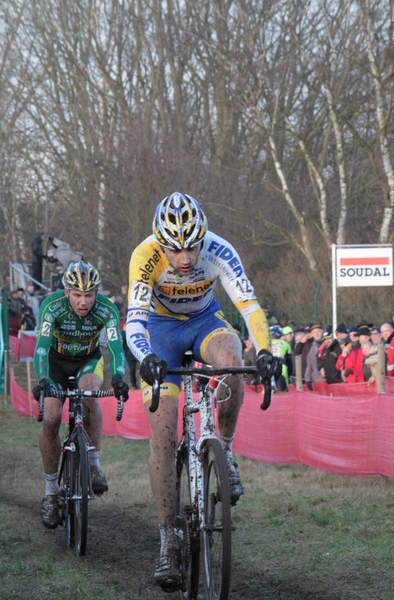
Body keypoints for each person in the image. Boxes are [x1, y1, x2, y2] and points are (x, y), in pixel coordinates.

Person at [125, 192, 279, 592]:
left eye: (192, 246)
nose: (186, 259)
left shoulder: (220, 251)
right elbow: (134, 323)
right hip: (159, 332)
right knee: (163, 433)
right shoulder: (145, 257)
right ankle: (168, 540)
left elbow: (250, 307)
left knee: (231, 358)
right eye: (175, 250)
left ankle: (224, 450)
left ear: (203, 238)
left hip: (205, 321)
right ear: (160, 242)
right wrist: (146, 357)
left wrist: (264, 351)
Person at [32, 260, 129, 530]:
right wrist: (42, 380)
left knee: (88, 396)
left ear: (97, 293)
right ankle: (51, 491)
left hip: (88, 360)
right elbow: (40, 348)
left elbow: (116, 349)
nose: (83, 302)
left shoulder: (106, 309)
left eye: (89, 295)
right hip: (55, 363)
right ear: (66, 292)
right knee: (51, 418)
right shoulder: (52, 306)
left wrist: (119, 377)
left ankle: (94, 464)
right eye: (77, 295)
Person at [270, 325, 292, 391]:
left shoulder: (264, 344)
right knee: (282, 392)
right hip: (281, 368)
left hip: (267, 368)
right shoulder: (286, 344)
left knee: (267, 394)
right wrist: (288, 376)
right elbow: (290, 363)